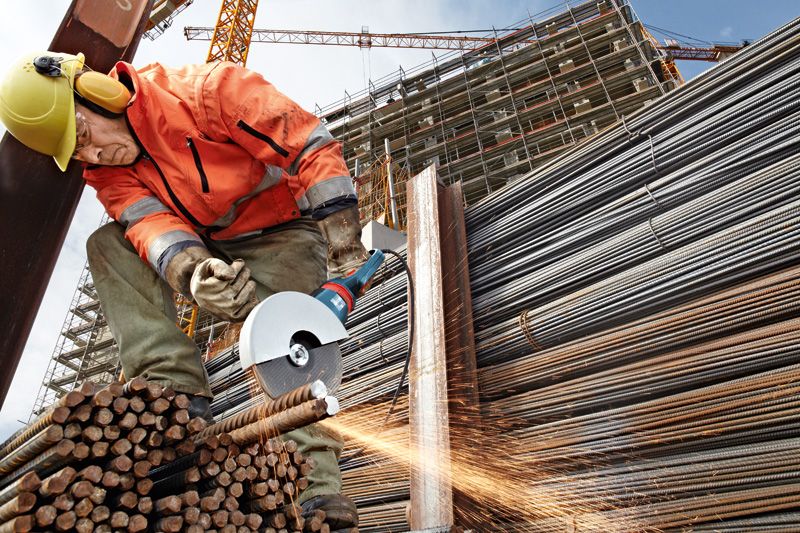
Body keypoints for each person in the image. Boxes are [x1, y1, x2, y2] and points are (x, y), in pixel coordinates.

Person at [0, 51, 365, 529]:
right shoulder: (105, 175)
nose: (92, 156)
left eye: (85, 136)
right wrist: (196, 275)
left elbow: (307, 144)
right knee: (107, 244)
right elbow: (152, 228)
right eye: (78, 154)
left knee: (290, 345)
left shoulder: (209, 90)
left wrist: (342, 236)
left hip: (280, 233)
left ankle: (315, 485)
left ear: (96, 92)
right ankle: (173, 394)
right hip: (207, 244)